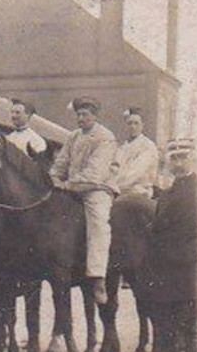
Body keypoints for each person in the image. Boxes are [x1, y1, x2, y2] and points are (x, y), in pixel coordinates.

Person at [140, 138, 197, 352]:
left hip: (187, 270)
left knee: (190, 330)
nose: (177, 161)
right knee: (164, 329)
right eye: (173, 156)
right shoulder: (170, 190)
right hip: (165, 270)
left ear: (193, 158)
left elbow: (195, 231)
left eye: (182, 156)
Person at [50, 96, 118, 305]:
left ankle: (98, 277)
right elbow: (61, 162)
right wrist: (53, 176)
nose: (80, 118)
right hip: (71, 188)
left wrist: (67, 184)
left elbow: (95, 174)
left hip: (96, 189)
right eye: (78, 114)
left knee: (98, 223)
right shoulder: (73, 136)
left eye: (85, 114)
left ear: (94, 116)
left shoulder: (105, 138)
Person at [112, 106, 160, 198]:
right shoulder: (122, 147)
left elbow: (134, 174)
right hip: (120, 190)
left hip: (139, 192)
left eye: (136, 123)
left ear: (143, 125)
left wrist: (112, 186)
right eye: (130, 123)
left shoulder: (148, 147)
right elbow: (114, 169)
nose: (132, 127)